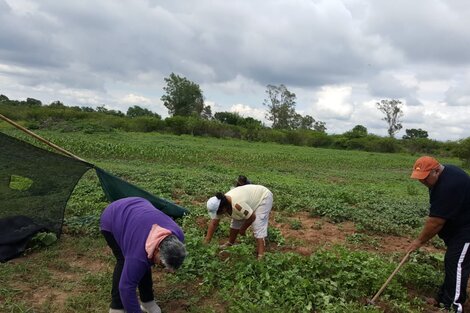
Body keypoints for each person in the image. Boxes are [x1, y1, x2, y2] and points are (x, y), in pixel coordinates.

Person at [100, 197, 187, 313]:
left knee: (145, 263)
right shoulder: (137, 256)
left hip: (139, 206)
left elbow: (148, 259)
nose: (167, 271)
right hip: (112, 217)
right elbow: (126, 288)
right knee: (124, 262)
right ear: (157, 249)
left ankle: (147, 302)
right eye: (162, 263)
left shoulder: (178, 235)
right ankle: (116, 307)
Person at [407, 156, 470, 312]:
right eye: (420, 179)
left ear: (436, 171)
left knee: (456, 263)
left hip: (467, 230)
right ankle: (442, 299)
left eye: (425, 178)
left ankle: (453, 307)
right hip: (459, 227)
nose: (422, 182)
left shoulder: (449, 185)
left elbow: (435, 222)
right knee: (452, 262)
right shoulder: (442, 176)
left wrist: (419, 241)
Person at [204, 184, 273, 259]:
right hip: (248, 199)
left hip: (263, 197)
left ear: (223, 208)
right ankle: (230, 243)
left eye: (217, 212)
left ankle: (261, 255)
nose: (217, 215)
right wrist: (207, 241)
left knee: (258, 224)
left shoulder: (237, 205)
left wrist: (242, 229)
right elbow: (214, 223)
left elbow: (252, 217)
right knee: (236, 219)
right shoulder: (222, 203)